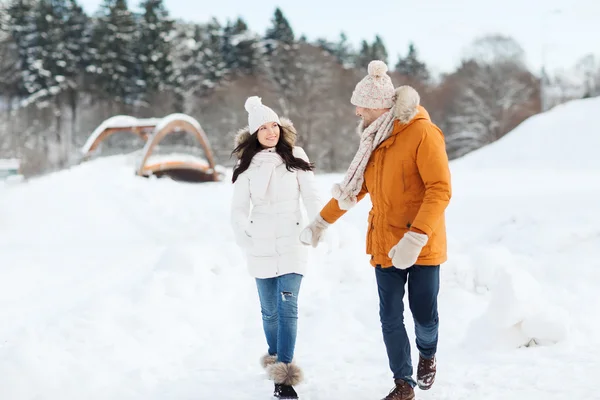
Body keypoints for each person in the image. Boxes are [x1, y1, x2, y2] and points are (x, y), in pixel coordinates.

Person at [300, 60, 452, 400]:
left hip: (421, 244)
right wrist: (321, 222)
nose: (357, 110)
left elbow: (439, 189)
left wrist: (416, 236)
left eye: (363, 104)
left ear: (382, 105)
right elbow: (355, 189)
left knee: (424, 315)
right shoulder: (374, 141)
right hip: (384, 242)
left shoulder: (422, 133)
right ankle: (403, 384)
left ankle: (427, 355)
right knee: (390, 316)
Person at [230, 96, 322, 400]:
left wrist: (316, 226)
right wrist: (245, 233)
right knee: (269, 312)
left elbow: (311, 196)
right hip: (260, 244)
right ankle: (274, 354)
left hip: (293, 241)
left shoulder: (296, 156)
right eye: (265, 127)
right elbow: (239, 209)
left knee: (288, 305)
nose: (272, 132)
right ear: (255, 133)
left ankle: (284, 375)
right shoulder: (247, 167)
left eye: (275, 125)